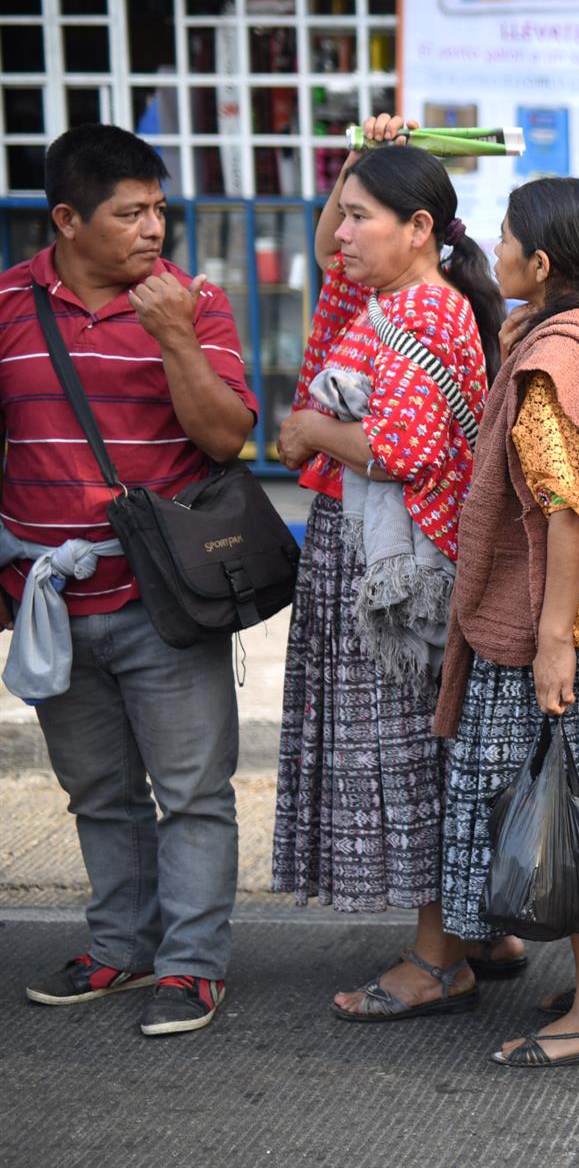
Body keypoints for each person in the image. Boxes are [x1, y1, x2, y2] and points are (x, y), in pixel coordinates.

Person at [7, 125, 256, 1036]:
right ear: (68, 219)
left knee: (193, 791)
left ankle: (192, 965)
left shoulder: (193, 302)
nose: (154, 228)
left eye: (159, 208)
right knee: (97, 791)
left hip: (168, 600)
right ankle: (119, 949)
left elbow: (227, 438)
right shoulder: (8, 306)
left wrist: (177, 338)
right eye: (130, 212)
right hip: (52, 605)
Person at [271, 114, 510, 1019]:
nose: (341, 233)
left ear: (419, 230)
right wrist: (358, 162)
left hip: (401, 577)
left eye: (361, 215)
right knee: (418, 753)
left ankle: (437, 958)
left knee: (409, 759)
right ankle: (472, 933)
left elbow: (398, 448)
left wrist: (309, 433)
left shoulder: (423, 307)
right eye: (342, 214)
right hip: (388, 562)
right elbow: (337, 251)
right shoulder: (398, 294)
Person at [435, 177, 579, 1068]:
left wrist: (551, 637)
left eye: (504, 240)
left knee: (575, 811)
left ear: (539, 264)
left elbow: (567, 507)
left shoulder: (556, 360)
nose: (493, 253)